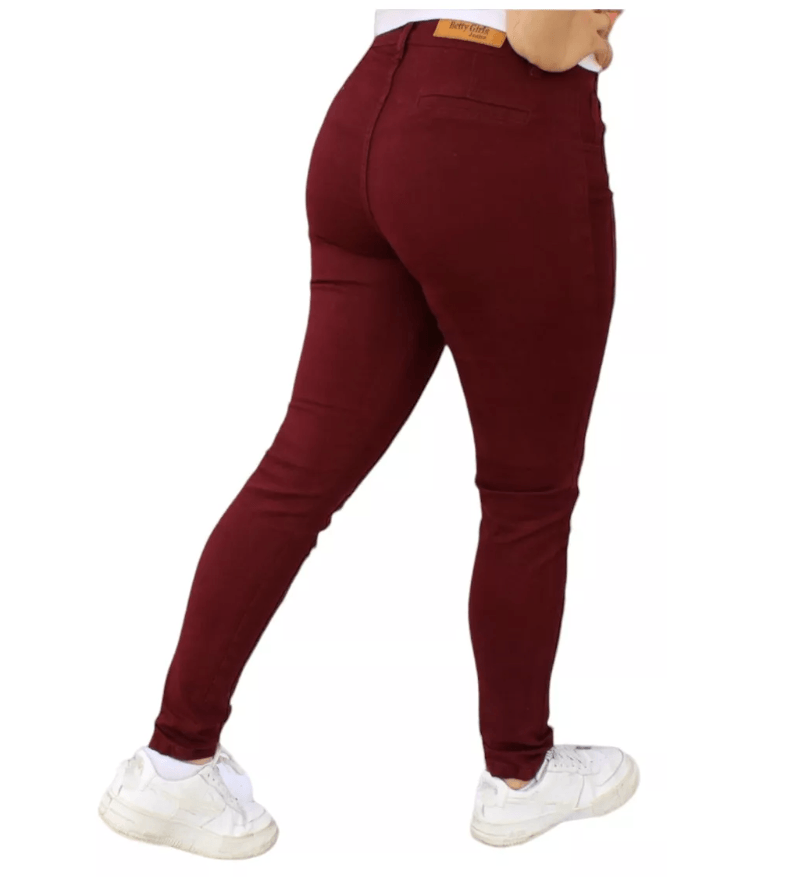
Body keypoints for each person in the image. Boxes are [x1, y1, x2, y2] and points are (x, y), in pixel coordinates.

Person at [97, 9, 637, 859]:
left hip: (371, 113)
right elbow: (542, 34)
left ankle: (172, 762)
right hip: (498, 131)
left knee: (300, 470)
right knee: (527, 493)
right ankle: (520, 774)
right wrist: (591, 35)